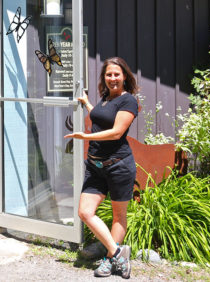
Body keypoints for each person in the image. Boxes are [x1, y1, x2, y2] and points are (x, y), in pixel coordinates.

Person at [64, 56, 138, 279]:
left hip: (118, 166)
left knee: (118, 217)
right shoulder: (106, 98)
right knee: (85, 212)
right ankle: (118, 253)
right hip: (95, 166)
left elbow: (116, 132)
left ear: (125, 76)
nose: (112, 78)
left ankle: (108, 261)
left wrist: (85, 135)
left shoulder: (128, 101)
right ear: (104, 77)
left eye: (117, 74)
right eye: (108, 74)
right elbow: (101, 118)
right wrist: (87, 104)